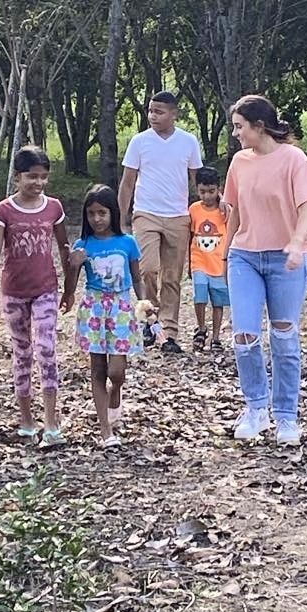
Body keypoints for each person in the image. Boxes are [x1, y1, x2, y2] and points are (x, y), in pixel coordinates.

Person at [223, 96, 307, 447]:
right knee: (244, 336)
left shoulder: (293, 159)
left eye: (240, 126)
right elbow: (234, 211)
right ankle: (255, 409)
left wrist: (297, 243)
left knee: (284, 338)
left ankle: (286, 416)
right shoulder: (238, 162)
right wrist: (226, 252)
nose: (236, 134)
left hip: (286, 260)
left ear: (259, 126)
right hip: (245, 257)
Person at [0, 145, 74, 447]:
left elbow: (64, 248)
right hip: (13, 292)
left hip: (46, 289)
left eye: (43, 177)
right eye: (31, 177)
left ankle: (51, 422)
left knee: (47, 349)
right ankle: (26, 419)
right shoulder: (4, 210)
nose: (37, 183)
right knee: (22, 352)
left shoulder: (54, 208)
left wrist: (70, 288)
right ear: (17, 177)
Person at [118, 91, 203, 355]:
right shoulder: (139, 142)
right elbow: (128, 181)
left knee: (172, 277)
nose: (153, 116)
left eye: (159, 111)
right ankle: (150, 319)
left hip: (178, 216)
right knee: (148, 270)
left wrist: (210, 207)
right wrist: (121, 220)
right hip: (146, 213)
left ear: (174, 114)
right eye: (150, 111)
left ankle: (169, 333)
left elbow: (197, 181)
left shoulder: (188, 142)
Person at [67, 183, 145, 447]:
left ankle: (116, 393)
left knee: (117, 371)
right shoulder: (83, 244)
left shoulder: (128, 243)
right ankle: (105, 430)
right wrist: (73, 265)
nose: (97, 219)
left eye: (102, 213)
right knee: (98, 368)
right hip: (94, 309)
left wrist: (144, 300)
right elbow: (70, 286)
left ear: (113, 213)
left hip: (121, 309)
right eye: (91, 214)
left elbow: (137, 277)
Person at [189, 166, 230, 352]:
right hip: (199, 260)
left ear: (218, 189)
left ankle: (216, 337)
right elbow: (189, 234)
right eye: (202, 192)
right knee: (200, 296)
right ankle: (201, 328)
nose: (207, 196)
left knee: (218, 301)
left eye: (211, 191)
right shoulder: (194, 209)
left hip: (219, 261)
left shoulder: (225, 210)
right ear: (197, 189)